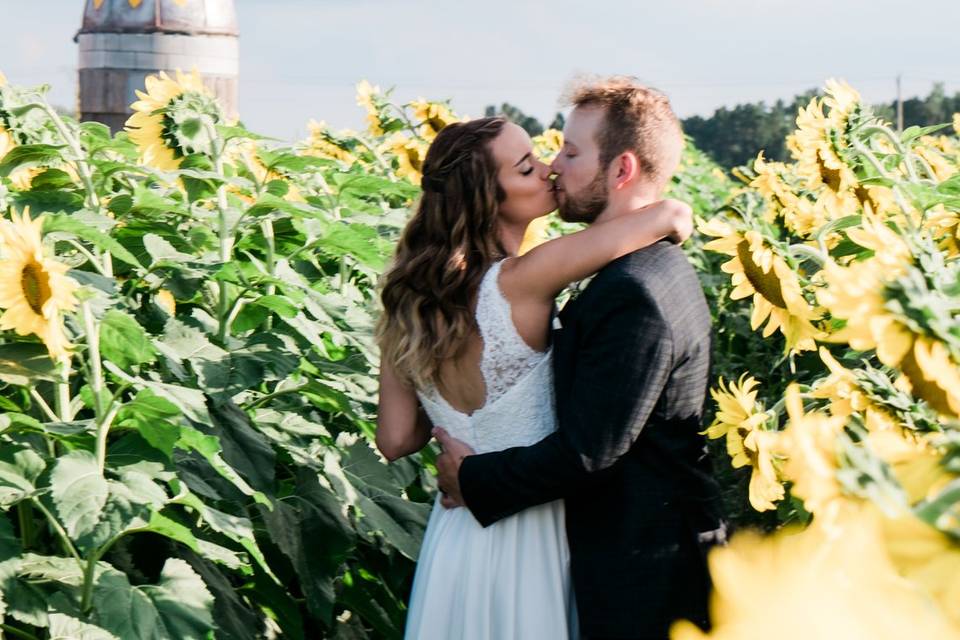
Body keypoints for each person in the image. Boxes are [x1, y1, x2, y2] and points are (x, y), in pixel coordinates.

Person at [376, 105, 694, 638]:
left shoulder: (405, 300)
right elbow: (669, 216)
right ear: (487, 199)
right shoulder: (524, 280)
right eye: (525, 167)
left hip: (455, 540)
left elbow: (395, 438)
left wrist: (459, 438)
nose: (548, 168)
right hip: (534, 531)